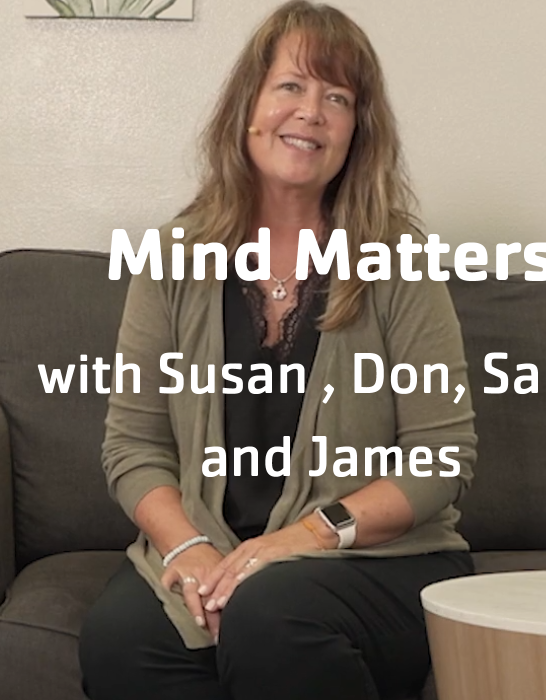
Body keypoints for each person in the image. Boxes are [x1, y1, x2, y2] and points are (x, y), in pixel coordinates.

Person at [77, 3, 478, 699]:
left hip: (374, 562)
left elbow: (441, 461)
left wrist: (300, 540)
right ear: (248, 108)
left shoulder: (397, 261)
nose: (312, 112)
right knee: (121, 639)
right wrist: (190, 549)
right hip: (210, 545)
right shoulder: (171, 259)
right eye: (291, 86)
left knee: (271, 613)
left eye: (338, 98)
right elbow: (133, 447)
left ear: (358, 131)